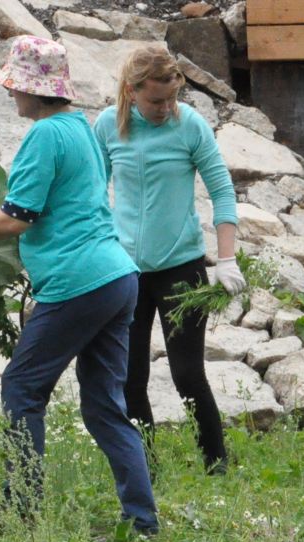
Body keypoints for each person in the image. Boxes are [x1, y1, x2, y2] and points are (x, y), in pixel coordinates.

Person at [0, 36, 156, 537]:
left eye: (15, 88)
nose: (11, 96)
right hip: (118, 276)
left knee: (22, 387)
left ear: (32, 89)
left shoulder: (46, 135)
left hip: (79, 281)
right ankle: (142, 522)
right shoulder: (80, 126)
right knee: (104, 408)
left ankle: (20, 514)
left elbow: (17, 217)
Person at [95, 46, 243, 475]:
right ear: (132, 91)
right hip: (126, 272)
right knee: (130, 376)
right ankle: (146, 468)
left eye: (172, 97)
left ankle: (216, 465)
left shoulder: (189, 124)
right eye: (155, 100)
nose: (165, 108)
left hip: (182, 267)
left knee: (186, 374)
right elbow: (92, 192)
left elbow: (222, 190)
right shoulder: (108, 125)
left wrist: (226, 259)